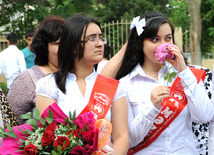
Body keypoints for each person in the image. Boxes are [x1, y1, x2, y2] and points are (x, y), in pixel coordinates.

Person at [102, 11, 213, 154]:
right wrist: (152, 107)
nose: (163, 45)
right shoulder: (126, 83)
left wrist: (184, 71)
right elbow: (129, 140)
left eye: (168, 38)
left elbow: (204, 116)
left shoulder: (186, 76)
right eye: (154, 39)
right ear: (140, 42)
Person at [35, 13, 129, 155]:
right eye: (91, 39)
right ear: (73, 46)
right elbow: (48, 137)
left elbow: (121, 135)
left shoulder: (115, 87)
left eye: (100, 37)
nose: (100, 43)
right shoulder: (48, 85)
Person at [7, 15, 65, 124]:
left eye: (68, 43)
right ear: (44, 47)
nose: (64, 48)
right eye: (58, 44)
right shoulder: (27, 80)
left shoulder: (77, 75)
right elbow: (11, 127)